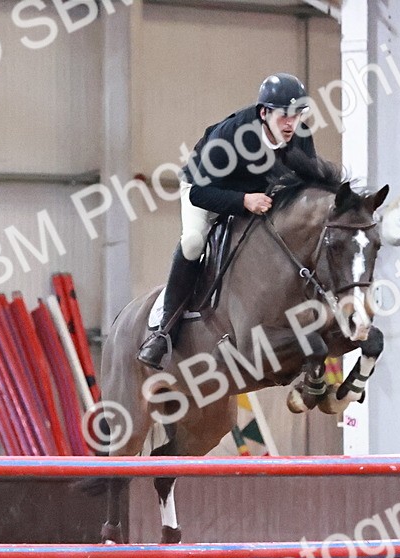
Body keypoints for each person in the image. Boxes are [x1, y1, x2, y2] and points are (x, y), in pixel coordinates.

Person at [136, 72, 318, 370]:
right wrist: (243, 201)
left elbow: (307, 188)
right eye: (284, 116)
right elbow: (200, 193)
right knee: (194, 242)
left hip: (260, 199)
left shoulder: (301, 139)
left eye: (297, 115)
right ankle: (164, 330)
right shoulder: (231, 135)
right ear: (264, 112)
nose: (290, 124)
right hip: (207, 189)